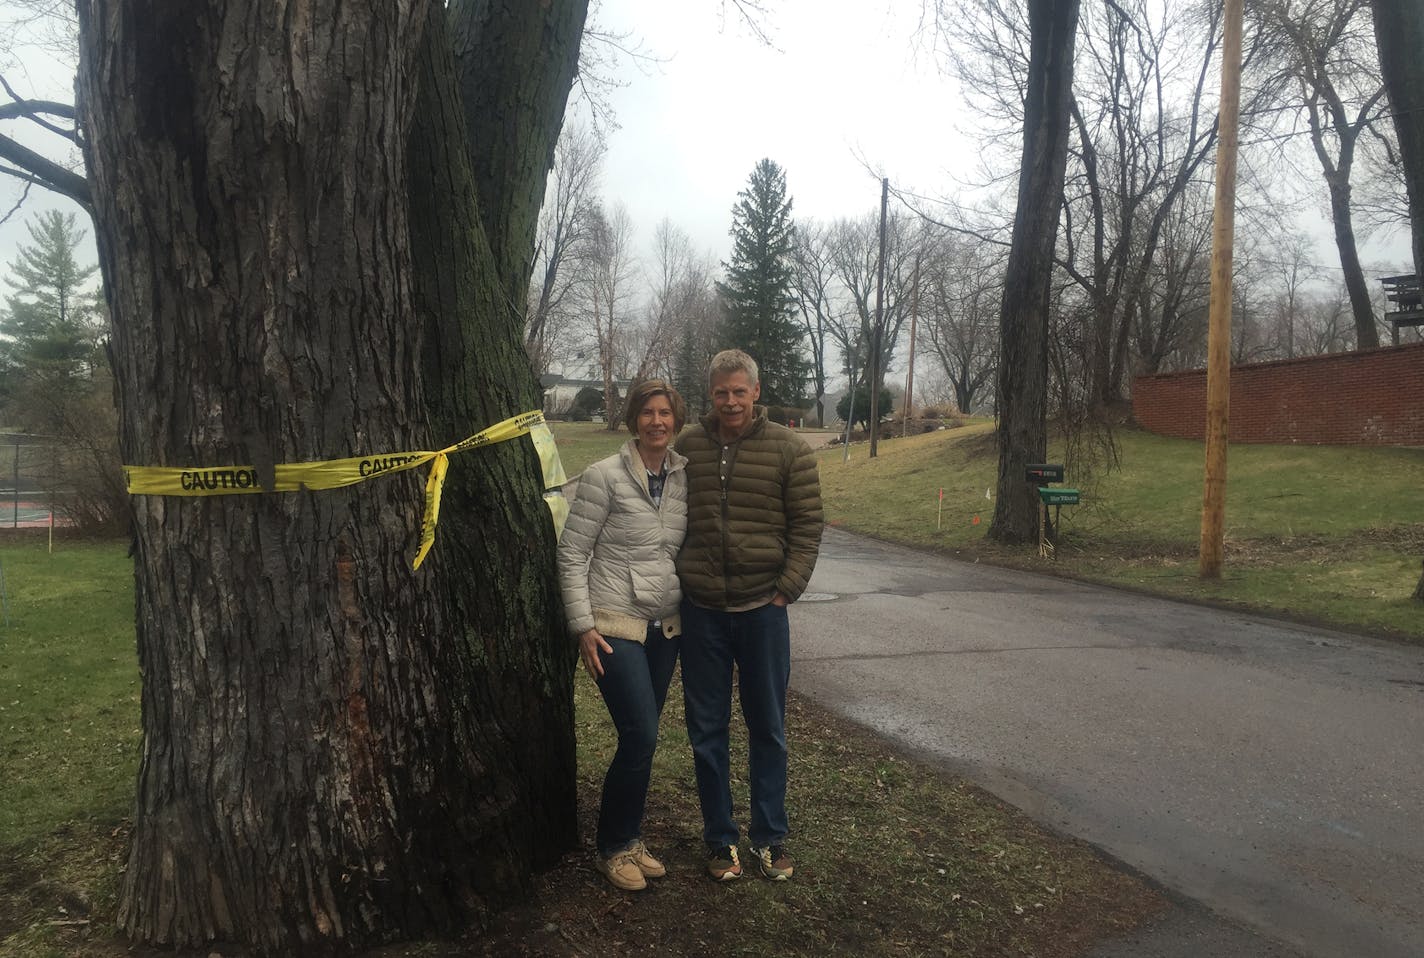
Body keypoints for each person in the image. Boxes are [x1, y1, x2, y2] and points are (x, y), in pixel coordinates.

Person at [675, 349, 823, 881]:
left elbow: (808, 526)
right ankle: (720, 840)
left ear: (756, 392)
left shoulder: (789, 449)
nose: (731, 401)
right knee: (706, 730)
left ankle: (769, 837)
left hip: (763, 610)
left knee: (768, 727)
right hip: (702, 614)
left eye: (739, 391)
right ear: (710, 394)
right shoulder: (686, 446)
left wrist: (786, 590)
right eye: (721, 392)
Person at [557, 379, 689, 891]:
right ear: (634, 418)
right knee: (641, 733)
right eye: (648, 412)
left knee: (643, 740)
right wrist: (583, 625)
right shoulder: (603, 477)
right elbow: (571, 554)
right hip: (615, 626)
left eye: (666, 413)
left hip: (665, 627)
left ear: (676, 419)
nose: (657, 421)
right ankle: (611, 847)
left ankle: (631, 837)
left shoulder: (681, 477)